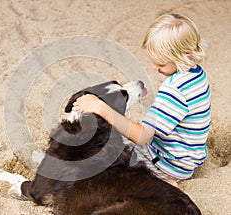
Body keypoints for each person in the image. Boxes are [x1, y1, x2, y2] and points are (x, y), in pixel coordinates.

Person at [73, 13, 211, 187]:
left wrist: (101, 108)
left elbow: (142, 136)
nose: (154, 68)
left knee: (109, 147)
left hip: (167, 164)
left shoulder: (174, 90)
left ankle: (163, 184)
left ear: (187, 56)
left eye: (160, 64)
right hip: (188, 157)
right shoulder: (197, 75)